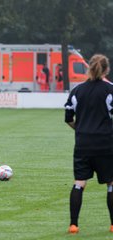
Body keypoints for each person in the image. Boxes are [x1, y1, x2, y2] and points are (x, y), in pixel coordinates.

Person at [64, 54, 113, 234]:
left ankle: (73, 225)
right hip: (105, 143)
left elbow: (68, 118)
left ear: (89, 68)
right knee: (111, 183)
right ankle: (112, 224)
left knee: (79, 183)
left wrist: (81, 129)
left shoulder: (77, 91)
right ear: (106, 69)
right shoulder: (109, 90)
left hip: (83, 143)